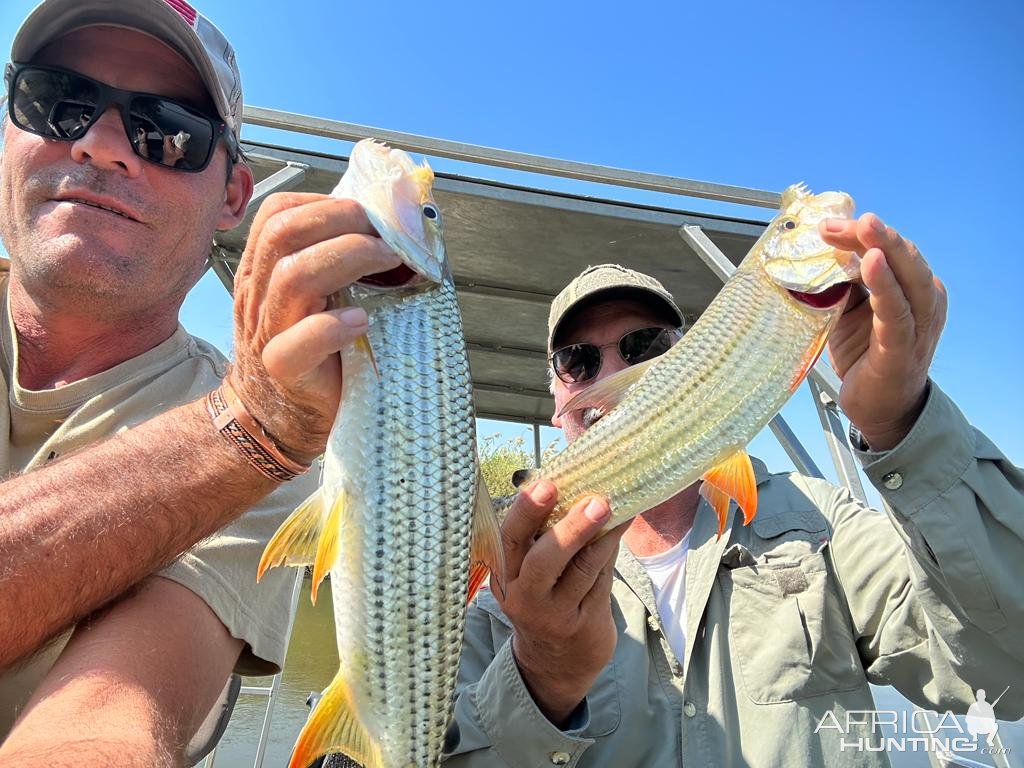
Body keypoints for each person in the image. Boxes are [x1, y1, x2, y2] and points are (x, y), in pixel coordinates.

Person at [0, 0, 401, 764]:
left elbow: (103, 724)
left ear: (233, 197)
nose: (101, 144)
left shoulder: (276, 470)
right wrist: (245, 426)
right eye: (57, 101)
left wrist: (256, 430)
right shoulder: (255, 435)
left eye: (167, 131)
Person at [446, 237, 1024, 766]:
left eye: (643, 345)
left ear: (695, 360)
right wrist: (543, 678)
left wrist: (906, 425)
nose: (616, 376)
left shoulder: (822, 522)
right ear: (557, 399)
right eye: (578, 361)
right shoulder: (502, 592)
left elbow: (1006, 671)